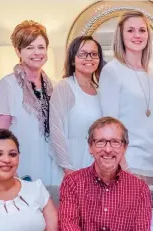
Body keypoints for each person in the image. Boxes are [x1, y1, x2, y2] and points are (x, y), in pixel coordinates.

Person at [58, 117, 152, 231]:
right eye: (100, 142)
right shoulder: (72, 183)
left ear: (124, 147)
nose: (108, 149)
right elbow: (68, 227)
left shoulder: (140, 189)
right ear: (90, 147)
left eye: (115, 142)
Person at [98, 11, 153, 186]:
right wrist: (122, 165)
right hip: (129, 164)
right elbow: (110, 125)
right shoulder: (112, 71)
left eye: (142, 30)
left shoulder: (150, 72)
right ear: (121, 35)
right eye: (131, 30)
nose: (137, 35)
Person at [0, 20, 56, 185]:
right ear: (18, 51)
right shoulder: (8, 85)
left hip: (51, 167)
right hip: (21, 167)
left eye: (41, 47)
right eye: (30, 47)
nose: (37, 53)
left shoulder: (53, 86)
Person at [49, 35, 103, 184]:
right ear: (73, 59)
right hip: (72, 164)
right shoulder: (65, 86)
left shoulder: (101, 91)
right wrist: (68, 170)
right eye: (82, 54)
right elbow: (55, 129)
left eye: (94, 54)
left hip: (95, 165)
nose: (89, 58)